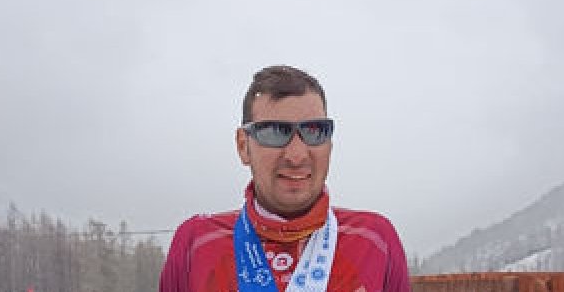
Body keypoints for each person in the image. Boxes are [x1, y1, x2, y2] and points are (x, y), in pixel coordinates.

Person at [159, 65, 411, 292]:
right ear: (243, 146)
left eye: (314, 131)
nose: (296, 155)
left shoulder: (375, 240)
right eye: (275, 132)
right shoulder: (195, 243)